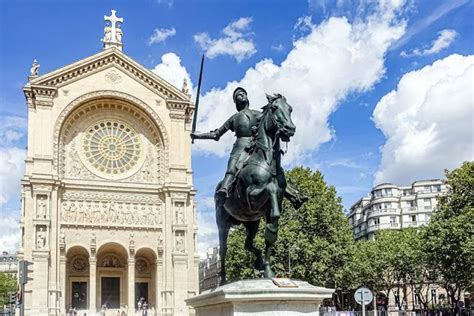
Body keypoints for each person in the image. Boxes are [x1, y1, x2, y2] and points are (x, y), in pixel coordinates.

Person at [191, 87, 307, 208]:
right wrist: (198, 135)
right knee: (232, 169)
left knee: (271, 168)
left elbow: (271, 120)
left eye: (243, 94)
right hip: (240, 146)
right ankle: (224, 190)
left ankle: (294, 195)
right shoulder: (234, 118)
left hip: (255, 144)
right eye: (238, 95)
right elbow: (216, 134)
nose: (242, 96)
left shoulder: (257, 114)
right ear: (236, 102)